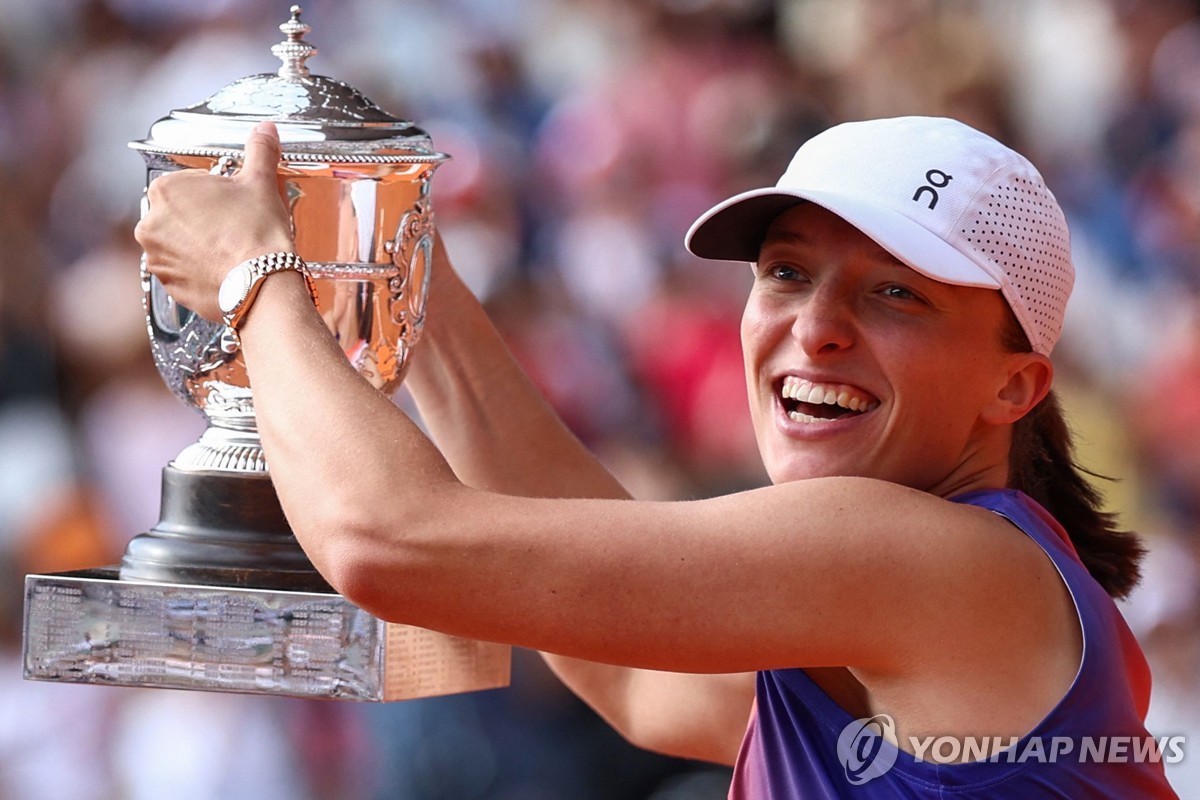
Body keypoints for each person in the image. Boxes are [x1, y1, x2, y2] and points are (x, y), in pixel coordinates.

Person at [135, 115, 1179, 798]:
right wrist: (405, 265)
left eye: (895, 291)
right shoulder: (928, 600)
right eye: (786, 272)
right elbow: (636, 683)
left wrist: (256, 281)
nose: (814, 327)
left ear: (1015, 387)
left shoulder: (924, 553)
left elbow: (386, 540)